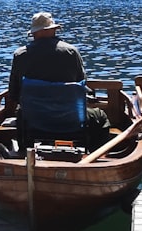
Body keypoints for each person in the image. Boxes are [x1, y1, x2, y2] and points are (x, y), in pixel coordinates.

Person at [7, 11, 109, 146]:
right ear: (54, 29)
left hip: (34, 119)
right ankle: (94, 155)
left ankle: (23, 152)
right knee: (100, 117)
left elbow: (14, 94)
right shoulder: (71, 52)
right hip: (71, 118)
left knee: (21, 113)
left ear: (34, 33)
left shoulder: (20, 55)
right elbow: (82, 86)